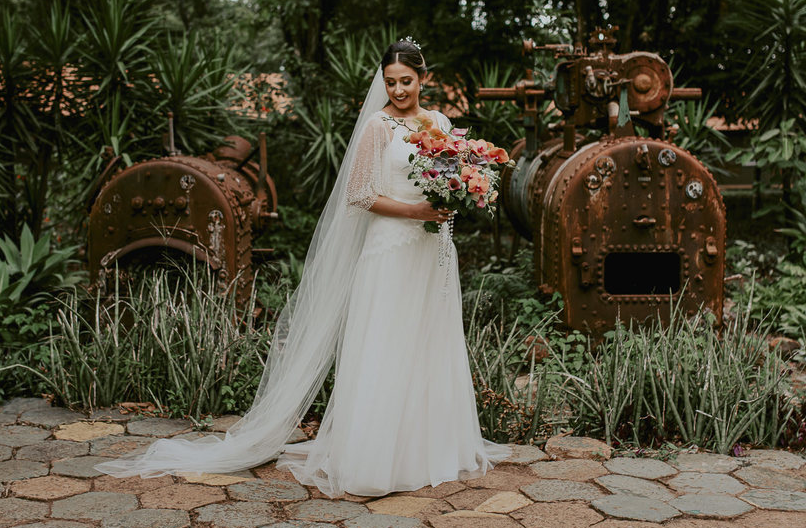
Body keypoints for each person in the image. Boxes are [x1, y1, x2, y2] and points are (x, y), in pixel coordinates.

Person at [96, 39, 511, 497]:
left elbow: (452, 176)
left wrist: (455, 196)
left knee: (429, 342)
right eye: (390, 82)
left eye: (406, 82)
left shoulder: (441, 124)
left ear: (423, 79)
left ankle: (431, 450)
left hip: (432, 252)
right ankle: (377, 458)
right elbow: (359, 196)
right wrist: (416, 213)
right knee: (387, 345)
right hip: (391, 248)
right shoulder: (378, 127)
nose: (398, 90)